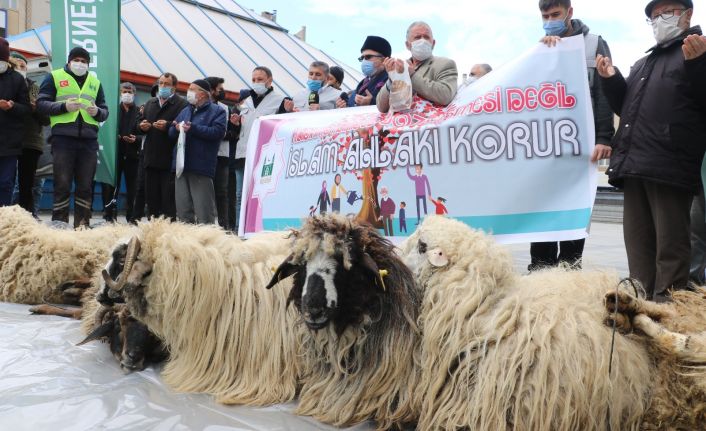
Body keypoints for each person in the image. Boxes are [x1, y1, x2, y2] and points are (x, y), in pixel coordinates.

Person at [596, 0, 706, 301]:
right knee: (639, 246)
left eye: (666, 13)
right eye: (654, 17)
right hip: (635, 165)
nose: (659, 20)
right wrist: (612, 80)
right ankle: (641, 308)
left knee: (671, 248)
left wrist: (698, 64)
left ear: (687, 14)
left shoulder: (698, 52)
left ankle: (668, 314)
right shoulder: (644, 63)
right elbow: (627, 108)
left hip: (670, 166)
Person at [529, 0, 616, 271]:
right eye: (545, 15)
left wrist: (604, 137)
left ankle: (569, 270)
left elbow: (604, 91)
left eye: (555, 14)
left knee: (574, 212)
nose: (550, 19)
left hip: (582, 147)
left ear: (570, 13)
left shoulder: (594, 44)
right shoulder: (540, 47)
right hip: (548, 149)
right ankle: (540, 269)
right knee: (543, 211)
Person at [36, 47, 109, 227]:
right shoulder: (54, 76)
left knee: (85, 187)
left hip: (89, 142)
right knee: (62, 185)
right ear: (69, 61)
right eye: (76, 60)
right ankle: (59, 226)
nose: (80, 64)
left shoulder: (95, 82)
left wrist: (97, 112)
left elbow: (105, 110)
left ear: (88, 64)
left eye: (84, 61)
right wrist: (63, 107)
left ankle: (82, 227)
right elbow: (41, 104)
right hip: (63, 140)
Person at [233, 67, 286, 233]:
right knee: (240, 195)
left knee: (263, 194)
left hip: (265, 156)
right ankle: (239, 229)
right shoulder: (245, 101)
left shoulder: (280, 100)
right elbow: (238, 130)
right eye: (254, 79)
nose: (256, 82)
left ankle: (260, 229)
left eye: (260, 79)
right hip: (243, 153)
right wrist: (234, 124)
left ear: (270, 81)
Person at [169, 79, 226, 224]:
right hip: (181, 166)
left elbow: (218, 132)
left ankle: (207, 243)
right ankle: (187, 244)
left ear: (202, 94)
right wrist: (175, 129)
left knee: (204, 212)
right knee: (183, 212)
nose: (188, 92)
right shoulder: (185, 110)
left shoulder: (217, 111)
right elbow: (171, 132)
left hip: (201, 167)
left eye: (192, 89)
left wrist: (193, 128)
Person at [137, 72, 188, 220]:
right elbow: (138, 124)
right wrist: (141, 126)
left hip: (169, 161)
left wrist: (167, 126)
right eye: (161, 83)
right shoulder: (150, 103)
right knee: (151, 201)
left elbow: (183, 129)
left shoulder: (182, 104)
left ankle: (168, 234)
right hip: (150, 158)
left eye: (166, 84)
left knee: (168, 202)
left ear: (174, 87)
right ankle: (153, 232)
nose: (163, 87)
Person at [376, 22, 458, 113]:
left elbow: (445, 96)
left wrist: (412, 75)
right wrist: (392, 79)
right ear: (408, 45)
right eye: (417, 37)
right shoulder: (400, 67)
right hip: (400, 124)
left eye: (426, 37)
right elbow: (381, 107)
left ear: (433, 43)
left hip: (428, 125)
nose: (422, 41)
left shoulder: (445, 64)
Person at [9, 51, 48, 215]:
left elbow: (46, 119)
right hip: (7, 141)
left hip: (30, 142)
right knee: (8, 182)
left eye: (23, 66)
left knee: (28, 185)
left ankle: (27, 218)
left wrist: (35, 108)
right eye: (16, 65)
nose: (20, 68)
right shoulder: (5, 85)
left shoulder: (34, 88)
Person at [101, 82, 140, 223]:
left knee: (133, 188)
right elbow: (105, 129)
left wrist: (136, 139)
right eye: (124, 91)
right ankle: (109, 215)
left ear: (134, 94)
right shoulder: (112, 110)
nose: (127, 94)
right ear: (120, 93)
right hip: (115, 154)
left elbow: (144, 133)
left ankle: (132, 216)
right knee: (111, 186)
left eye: (130, 92)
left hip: (133, 155)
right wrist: (114, 136)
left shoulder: (140, 111)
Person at [0, 40, 30, 207]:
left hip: (10, 142)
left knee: (5, 183)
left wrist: (11, 106)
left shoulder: (17, 79)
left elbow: (25, 108)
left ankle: (2, 219)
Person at [337, 36, 391, 109]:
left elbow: (397, 103)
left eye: (368, 57)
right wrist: (345, 106)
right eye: (362, 58)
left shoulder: (391, 79)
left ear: (383, 60)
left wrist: (371, 103)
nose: (364, 61)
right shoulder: (363, 83)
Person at [205, 76, 230, 229]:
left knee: (221, 192)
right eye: (219, 89)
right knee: (204, 191)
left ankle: (224, 226)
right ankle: (206, 224)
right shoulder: (198, 106)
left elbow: (225, 132)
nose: (222, 91)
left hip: (221, 154)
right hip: (204, 154)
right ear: (212, 90)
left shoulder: (224, 108)